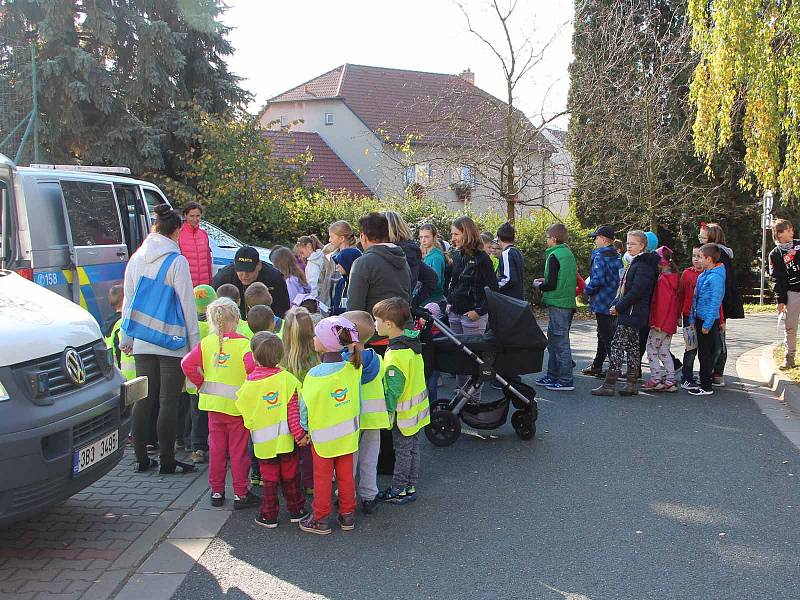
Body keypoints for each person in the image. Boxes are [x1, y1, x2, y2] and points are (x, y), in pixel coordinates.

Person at [121, 204, 200, 474]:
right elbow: (187, 305)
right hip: (171, 341)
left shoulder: (136, 258)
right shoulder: (176, 261)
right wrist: (194, 345)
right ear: (176, 231)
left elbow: (128, 300)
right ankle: (167, 460)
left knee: (144, 400)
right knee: (168, 401)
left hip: (142, 340)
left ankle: (141, 459)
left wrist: (126, 336)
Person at [181, 297, 258, 508]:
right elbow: (252, 368)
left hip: (213, 406)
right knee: (238, 452)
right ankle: (241, 494)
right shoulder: (243, 343)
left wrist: (201, 384)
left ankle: (216, 492)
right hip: (236, 407)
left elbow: (187, 364)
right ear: (236, 319)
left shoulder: (207, 343)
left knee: (216, 450)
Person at [235, 332, 309, 528]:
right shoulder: (288, 380)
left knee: (269, 479)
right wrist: (300, 435)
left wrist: (253, 424)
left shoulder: (249, 384)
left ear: (254, 356)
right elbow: (294, 412)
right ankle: (296, 510)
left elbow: (243, 409)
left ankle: (269, 515)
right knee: (291, 476)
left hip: (263, 443)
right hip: (286, 441)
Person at [297, 316, 362, 535]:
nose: (313, 338)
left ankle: (321, 518)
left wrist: (304, 429)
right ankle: (347, 515)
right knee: (346, 477)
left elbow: (305, 406)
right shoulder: (353, 368)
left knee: (322, 479)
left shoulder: (313, 375)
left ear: (324, 343)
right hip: (348, 436)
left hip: (323, 439)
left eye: (317, 335)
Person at [373, 297, 430, 504]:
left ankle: (398, 489)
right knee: (413, 449)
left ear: (389, 324)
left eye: (376, 320)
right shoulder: (412, 344)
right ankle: (410, 486)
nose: (375, 325)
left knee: (403, 452)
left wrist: (385, 412)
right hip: (418, 409)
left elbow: (393, 390)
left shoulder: (396, 355)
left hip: (404, 414)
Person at [592, 230, 659, 397]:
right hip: (631, 312)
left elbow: (636, 291)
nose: (629, 246)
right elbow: (625, 289)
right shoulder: (636, 262)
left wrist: (619, 307)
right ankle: (631, 383)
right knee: (633, 348)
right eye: (628, 243)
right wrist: (617, 303)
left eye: (633, 243)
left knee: (616, 347)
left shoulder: (643, 265)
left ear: (643, 245)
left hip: (631, 313)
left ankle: (609, 384)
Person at [447, 216, 499, 403]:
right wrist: (449, 302)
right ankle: (461, 392)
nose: (453, 238)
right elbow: (454, 282)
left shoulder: (482, 258)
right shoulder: (457, 255)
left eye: (456, 234)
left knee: (473, 357)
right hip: (455, 311)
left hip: (473, 315)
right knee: (459, 356)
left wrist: (479, 310)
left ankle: (473, 398)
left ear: (467, 234)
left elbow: (493, 289)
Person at [341, 310, 389, 514]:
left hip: (350, 418)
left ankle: (345, 495)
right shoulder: (377, 359)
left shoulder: (341, 362)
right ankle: (369, 496)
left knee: (348, 459)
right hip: (374, 417)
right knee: (370, 459)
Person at [279, 307, 319, 496]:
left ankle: (289, 480)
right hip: (311, 410)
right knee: (309, 450)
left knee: (290, 450)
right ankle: (311, 482)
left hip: (288, 410)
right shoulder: (317, 356)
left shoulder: (282, 357)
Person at [534, 223, 578, 392]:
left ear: (553, 238)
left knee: (559, 343)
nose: (546, 240)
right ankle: (552, 375)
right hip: (565, 302)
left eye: (547, 237)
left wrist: (538, 285)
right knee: (555, 341)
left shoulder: (554, 256)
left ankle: (565, 379)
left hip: (558, 303)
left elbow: (551, 284)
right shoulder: (567, 253)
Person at [698, 223, 744, 385]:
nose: (700, 239)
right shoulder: (712, 253)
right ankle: (713, 371)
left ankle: (716, 372)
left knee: (717, 339)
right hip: (716, 303)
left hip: (719, 304)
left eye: (703, 236)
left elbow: (722, 285)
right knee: (715, 339)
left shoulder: (719, 255)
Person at [347, 212, 412, 320]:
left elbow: (354, 308)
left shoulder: (363, 263)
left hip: (378, 332)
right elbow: (409, 296)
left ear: (363, 236)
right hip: (405, 329)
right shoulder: (403, 259)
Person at [583, 225, 622, 378]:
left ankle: (614, 368)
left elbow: (597, 279)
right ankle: (597, 365)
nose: (595, 240)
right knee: (605, 334)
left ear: (604, 239)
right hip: (613, 299)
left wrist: (586, 290)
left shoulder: (600, 256)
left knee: (606, 335)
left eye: (596, 238)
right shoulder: (616, 256)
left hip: (601, 300)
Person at [687, 244, 727, 396]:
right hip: (699, 318)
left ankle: (706, 385)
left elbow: (715, 302)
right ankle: (704, 381)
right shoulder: (705, 274)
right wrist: (692, 318)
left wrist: (708, 323)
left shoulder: (715, 277)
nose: (698, 260)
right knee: (703, 353)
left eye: (701, 257)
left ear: (709, 259)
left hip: (707, 321)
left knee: (706, 354)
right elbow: (696, 299)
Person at [213, 246, 290, 319]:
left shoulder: (274, 278)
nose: (245, 275)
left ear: (259, 266)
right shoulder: (223, 277)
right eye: (240, 270)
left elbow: (283, 308)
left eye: (249, 270)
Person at [185, 284, 216, 464]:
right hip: (212, 379)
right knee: (208, 414)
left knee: (195, 413)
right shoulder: (214, 329)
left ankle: (196, 446)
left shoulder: (190, 325)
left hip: (193, 380)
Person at [643, 246, 681, 392]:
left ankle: (655, 378)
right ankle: (670, 379)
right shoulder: (674, 278)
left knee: (651, 349)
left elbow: (662, 304)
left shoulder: (663, 280)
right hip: (669, 322)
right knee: (664, 350)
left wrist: (657, 323)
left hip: (661, 322)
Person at [769, 219, 800, 369]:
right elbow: (776, 278)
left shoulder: (798, 245)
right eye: (788, 230)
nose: (792, 232)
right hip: (792, 292)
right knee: (791, 326)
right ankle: (790, 357)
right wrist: (780, 300)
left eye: (792, 229)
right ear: (779, 234)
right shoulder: (775, 254)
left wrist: (797, 253)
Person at [677, 246, 704, 389]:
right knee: (691, 348)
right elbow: (680, 295)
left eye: (699, 256)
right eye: (694, 256)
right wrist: (678, 315)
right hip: (688, 316)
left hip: (704, 317)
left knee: (705, 349)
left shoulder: (709, 273)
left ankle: (705, 375)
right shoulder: (687, 273)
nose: (696, 259)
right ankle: (686, 376)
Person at [104, 284, 135, 381]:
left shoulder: (108, 324)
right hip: (133, 377)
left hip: (118, 377)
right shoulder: (123, 323)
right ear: (124, 299)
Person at [296, 235, 335, 310]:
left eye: (302, 252)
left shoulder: (313, 264)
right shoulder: (321, 257)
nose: (301, 255)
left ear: (309, 246)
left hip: (319, 301)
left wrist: (313, 303)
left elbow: (314, 285)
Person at [178, 201, 212, 287]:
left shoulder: (203, 234)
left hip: (204, 285)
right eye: (191, 216)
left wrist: (210, 281)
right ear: (185, 216)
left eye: (198, 216)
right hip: (186, 284)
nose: (195, 219)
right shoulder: (178, 234)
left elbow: (208, 259)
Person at [418, 223, 449, 307]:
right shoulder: (424, 254)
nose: (423, 240)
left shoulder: (436, 257)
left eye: (427, 237)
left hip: (433, 300)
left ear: (434, 237)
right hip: (424, 298)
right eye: (421, 237)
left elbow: (436, 282)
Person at [496, 222, 525, 300]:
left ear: (499, 238)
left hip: (509, 298)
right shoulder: (517, 252)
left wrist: (493, 285)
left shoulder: (506, 253)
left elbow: (508, 278)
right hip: (518, 296)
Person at [331, 247, 361, 315]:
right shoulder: (341, 282)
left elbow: (357, 309)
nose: (337, 266)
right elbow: (336, 302)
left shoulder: (359, 283)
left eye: (340, 263)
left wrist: (337, 311)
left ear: (347, 263)